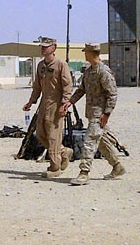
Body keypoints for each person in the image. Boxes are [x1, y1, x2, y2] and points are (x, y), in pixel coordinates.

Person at [61, 43, 124, 185]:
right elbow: (81, 89)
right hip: (91, 113)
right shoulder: (89, 71)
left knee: (89, 142)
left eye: (86, 52)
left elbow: (112, 94)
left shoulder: (104, 72)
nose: (84, 54)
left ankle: (84, 173)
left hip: (99, 114)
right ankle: (117, 166)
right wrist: (70, 102)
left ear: (90, 53)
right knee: (102, 143)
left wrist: (106, 114)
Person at [22, 37, 74, 178]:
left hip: (56, 104)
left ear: (54, 48)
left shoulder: (61, 64)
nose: (43, 49)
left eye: (46, 46)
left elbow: (67, 86)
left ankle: (55, 167)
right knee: (40, 134)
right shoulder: (40, 66)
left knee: (53, 136)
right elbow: (37, 87)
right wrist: (31, 102)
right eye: (42, 46)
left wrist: (64, 104)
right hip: (44, 104)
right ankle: (63, 152)